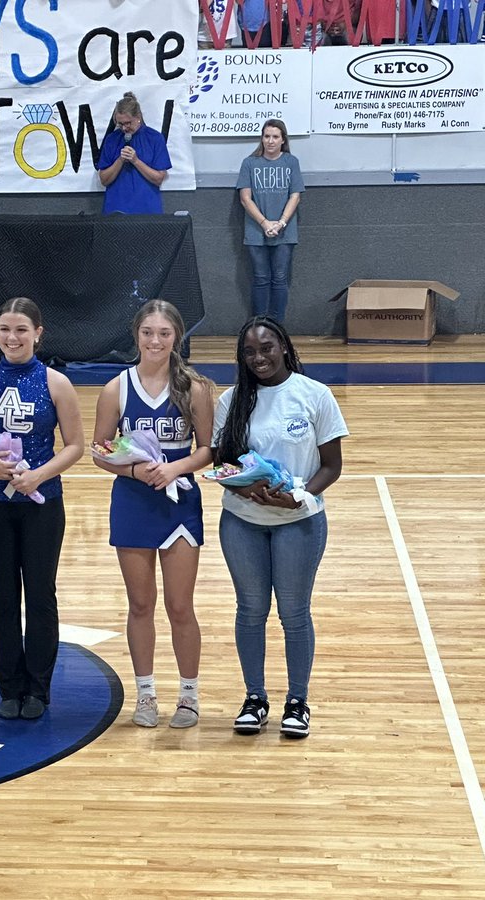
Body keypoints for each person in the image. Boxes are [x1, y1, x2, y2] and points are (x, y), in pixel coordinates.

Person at [212, 316, 348, 740]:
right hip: (243, 521)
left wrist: (300, 494)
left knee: (294, 613)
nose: (259, 358)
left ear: (284, 347)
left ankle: (297, 702)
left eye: (267, 348)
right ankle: (254, 699)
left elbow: (332, 466)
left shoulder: (315, 395)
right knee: (250, 611)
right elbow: (221, 463)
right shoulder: (230, 401)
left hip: (300, 522)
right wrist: (247, 487)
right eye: (250, 352)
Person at [0, 298, 84, 720]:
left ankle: (39, 689)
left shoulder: (56, 383)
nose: (12, 338)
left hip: (42, 504)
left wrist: (39, 475)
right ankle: (9, 687)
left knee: (41, 595)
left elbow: (77, 446)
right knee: (3, 597)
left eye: (21, 330)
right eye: (5, 329)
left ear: (38, 333)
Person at [93, 300, 215, 729]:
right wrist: (133, 469)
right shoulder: (116, 389)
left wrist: (174, 468)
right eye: (148, 332)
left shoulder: (195, 388)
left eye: (164, 333)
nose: (155, 340)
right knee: (140, 604)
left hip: (179, 502)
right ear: (136, 335)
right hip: (133, 501)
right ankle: (145, 695)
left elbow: (206, 449)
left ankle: (189, 695)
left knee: (180, 606)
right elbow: (99, 451)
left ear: (176, 336)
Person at [238, 119, 305, 322]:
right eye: (267, 136)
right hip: (256, 231)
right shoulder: (249, 163)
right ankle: (259, 324)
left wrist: (281, 222)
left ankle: (277, 325)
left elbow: (295, 196)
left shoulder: (291, 162)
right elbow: (245, 198)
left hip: (285, 232)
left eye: (275, 137)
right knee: (260, 278)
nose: (270, 141)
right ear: (262, 139)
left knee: (280, 279)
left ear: (283, 140)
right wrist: (264, 223)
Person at [96, 92, 171, 215]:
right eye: (120, 124)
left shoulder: (155, 138)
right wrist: (120, 160)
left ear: (138, 117)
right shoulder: (111, 139)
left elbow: (158, 179)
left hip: (147, 210)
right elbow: (104, 180)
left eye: (128, 123)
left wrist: (136, 161)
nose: (124, 128)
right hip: (116, 210)